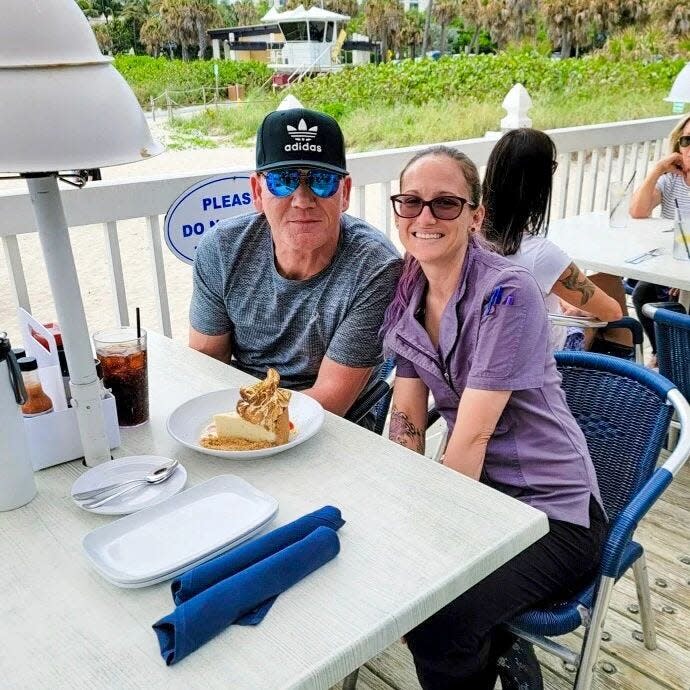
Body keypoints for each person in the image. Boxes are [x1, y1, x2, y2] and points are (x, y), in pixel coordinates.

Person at [382, 145, 606, 689]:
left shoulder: (506, 291)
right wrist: (393, 502)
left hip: (553, 515)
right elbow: (407, 417)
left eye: (446, 204)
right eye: (411, 202)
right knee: (382, 572)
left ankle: (479, 648)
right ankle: (493, 651)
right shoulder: (409, 288)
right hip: (483, 496)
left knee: (436, 618)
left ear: (477, 216)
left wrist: (431, 538)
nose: (425, 217)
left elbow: (474, 432)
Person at [189, 108, 402, 416]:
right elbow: (206, 364)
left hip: (332, 424)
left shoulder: (375, 267)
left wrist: (239, 424)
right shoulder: (221, 249)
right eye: (283, 180)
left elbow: (332, 398)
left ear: (344, 193)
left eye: (322, 181)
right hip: (237, 406)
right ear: (257, 191)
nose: (302, 199)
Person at [482, 128, 623, 351]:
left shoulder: (470, 237)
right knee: (612, 288)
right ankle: (619, 379)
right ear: (539, 184)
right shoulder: (540, 254)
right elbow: (612, 312)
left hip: (492, 349)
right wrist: (579, 309)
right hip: (549, 362)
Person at [628, 114, 689, 365]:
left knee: (678, 300)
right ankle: (663, 353)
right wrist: (657, 170)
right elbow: (637, 211)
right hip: (667, 262)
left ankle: (680, 359)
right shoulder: (671, 179)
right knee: (642, 294)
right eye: (686, 140)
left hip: (684, 267)